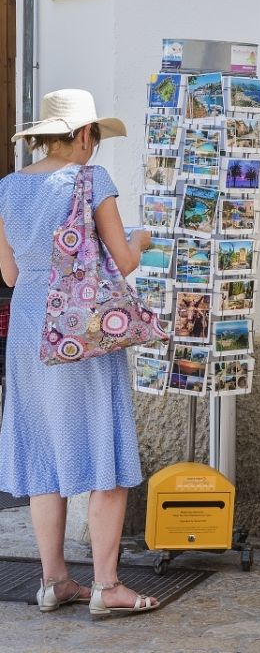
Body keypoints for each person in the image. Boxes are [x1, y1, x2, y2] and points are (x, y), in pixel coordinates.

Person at [0, 89, 161, 617]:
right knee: (102, 453)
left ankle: (53, 582)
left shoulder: (8, 189)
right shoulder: (91, 181)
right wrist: (141, 240)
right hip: (81, 328)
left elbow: (10, 274)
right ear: (86, 134)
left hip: (28, 326)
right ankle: (108, 586)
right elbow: (122, 262)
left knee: (44, 451)